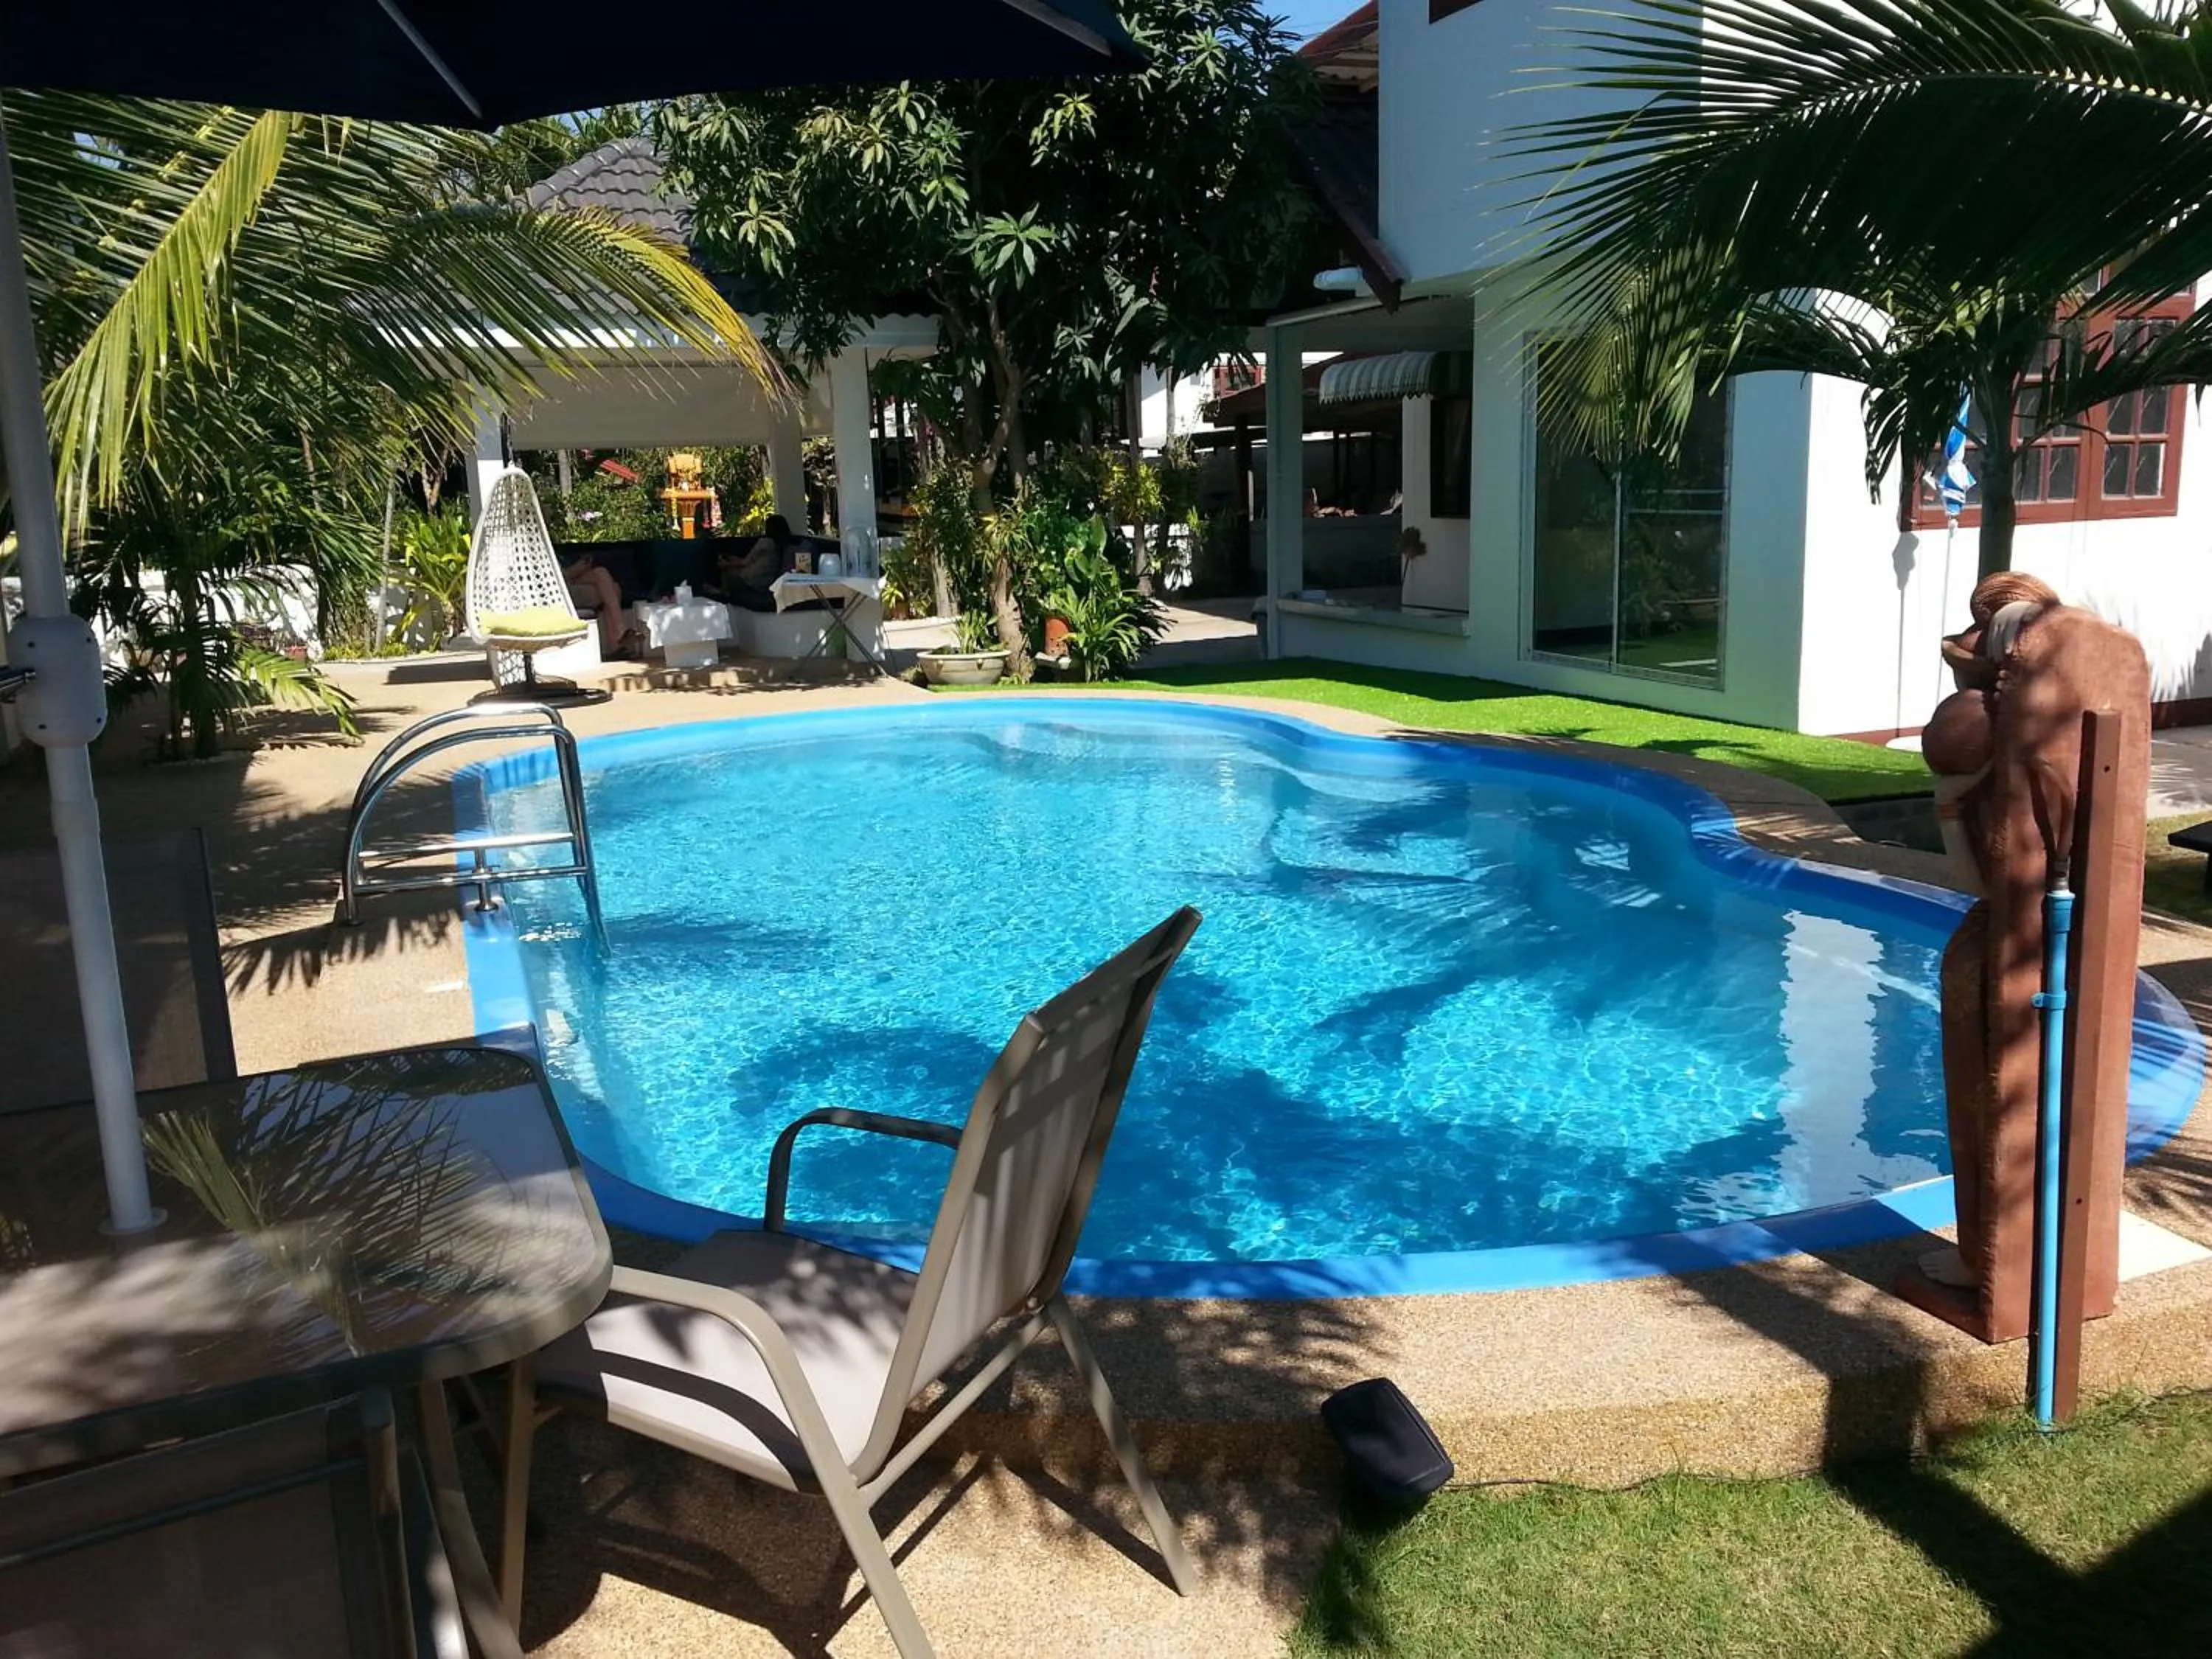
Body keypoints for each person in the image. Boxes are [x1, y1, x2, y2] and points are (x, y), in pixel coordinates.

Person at [717, 513, 795, 611]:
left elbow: (745, 562)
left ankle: (722, 595)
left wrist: (726, 565)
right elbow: (750, 561)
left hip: (753, 583)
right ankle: (721, 592)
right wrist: (733, 560)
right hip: (767, 581)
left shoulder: (765, 542)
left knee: (727, 574)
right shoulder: (783, 545)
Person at [561, 552, 633, 656]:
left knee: (609, 581)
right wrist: (574, 570)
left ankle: (616, 644)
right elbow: (554, 578)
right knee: (608, 586)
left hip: (573, 582)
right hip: (561, 591)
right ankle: (619, 633)